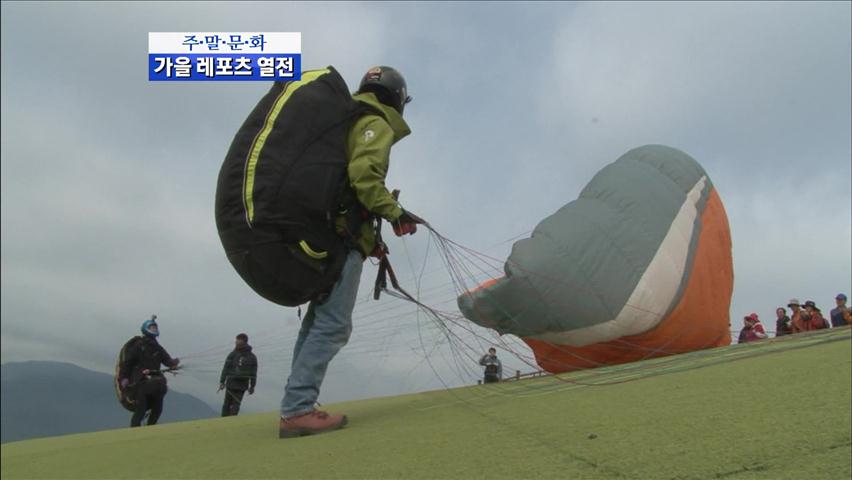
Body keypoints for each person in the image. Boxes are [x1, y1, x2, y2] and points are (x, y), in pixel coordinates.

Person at [278, 66, 421, 439]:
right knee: (333, 324)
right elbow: (363, 177)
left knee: (316, 322)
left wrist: (373, 241)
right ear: (397, 97)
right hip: (340, 240)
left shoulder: (345, 119)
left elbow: (345, 185)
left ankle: (295, 405)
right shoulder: (376, 122)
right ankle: (297, 410)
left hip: (323, 235)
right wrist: (395, 212)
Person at [118, 317, 180, 427]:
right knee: (141, 410)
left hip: (155, 383)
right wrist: (124, 378)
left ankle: (150, 430)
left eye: (155, 327)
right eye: (152, 327)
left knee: (158, 408)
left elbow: (167, 360)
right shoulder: (138, 346)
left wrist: (174, 363)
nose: (155, 329)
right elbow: (127, 364)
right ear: (146, 328)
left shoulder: (157, 348)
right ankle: (134, 432)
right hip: (140, 382)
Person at [218, 333, 258, 417]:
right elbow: (253, 373)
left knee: (227, 404)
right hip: (242, 385)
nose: (235, 342)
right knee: (236, 404)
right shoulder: (253, 357)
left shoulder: (233, 354)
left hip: (232, 383)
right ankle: (231, 422)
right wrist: (252, 386)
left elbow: (226, 368)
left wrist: (222, 382)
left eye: (237, 340)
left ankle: (223, 421)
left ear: (242, 341)